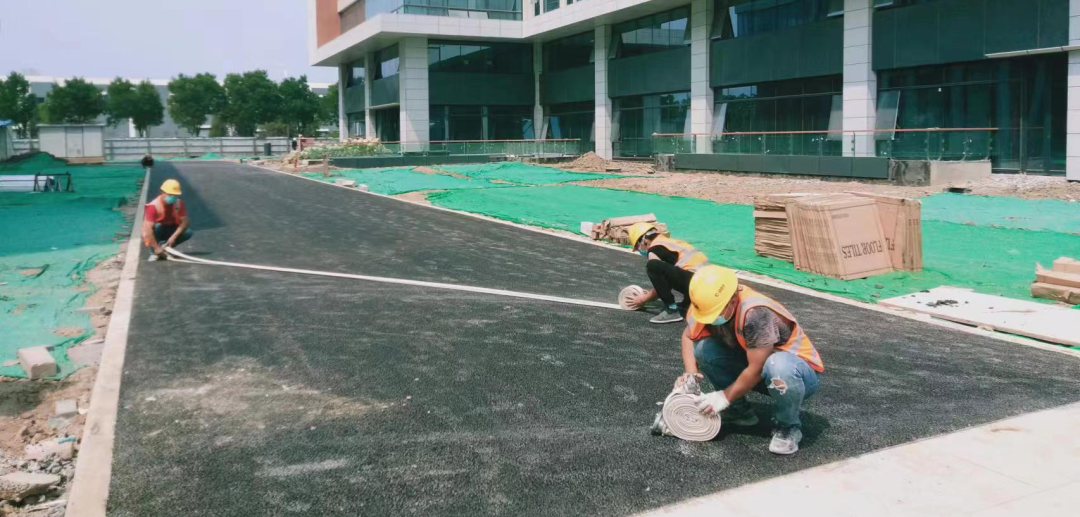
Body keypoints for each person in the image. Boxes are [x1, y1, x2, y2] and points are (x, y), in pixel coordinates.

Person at [677, 265, 824, 455]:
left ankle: (789, 426)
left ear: (732, 299)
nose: (711, 319)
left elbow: (757, 368)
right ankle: (739, 412)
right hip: (759, 368)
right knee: (705, 349)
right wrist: (690, 375)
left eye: (716, 314)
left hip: (796, 375)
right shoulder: (705, 305)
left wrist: (723, 397)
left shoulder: (755, 314)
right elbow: (689, 336)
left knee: (778, 366)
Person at [626, 222, 710, 324]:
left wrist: (642, 299)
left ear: (644, 241)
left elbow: (663, 283)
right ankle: (688, 303)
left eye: (638, 246)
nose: (639, 250)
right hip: (707, 283)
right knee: (682, 270)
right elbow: (675, 274)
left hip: (697, 283)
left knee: (653, 266)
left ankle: (671, 310)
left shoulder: (654, 250)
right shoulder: (668, 242)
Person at [142, 179, 192, 262]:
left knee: (188, 232)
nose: (173, 197)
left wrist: (173, 237)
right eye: (170, 194)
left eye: (175, 195)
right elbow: (148, 230)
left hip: (170, 228)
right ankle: (154, 252)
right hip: (156, 231)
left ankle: (165, 248)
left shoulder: (178, 203)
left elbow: (185, 222)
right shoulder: (153, 206)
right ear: (162, 192)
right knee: (158, 227)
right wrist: (156, 248)